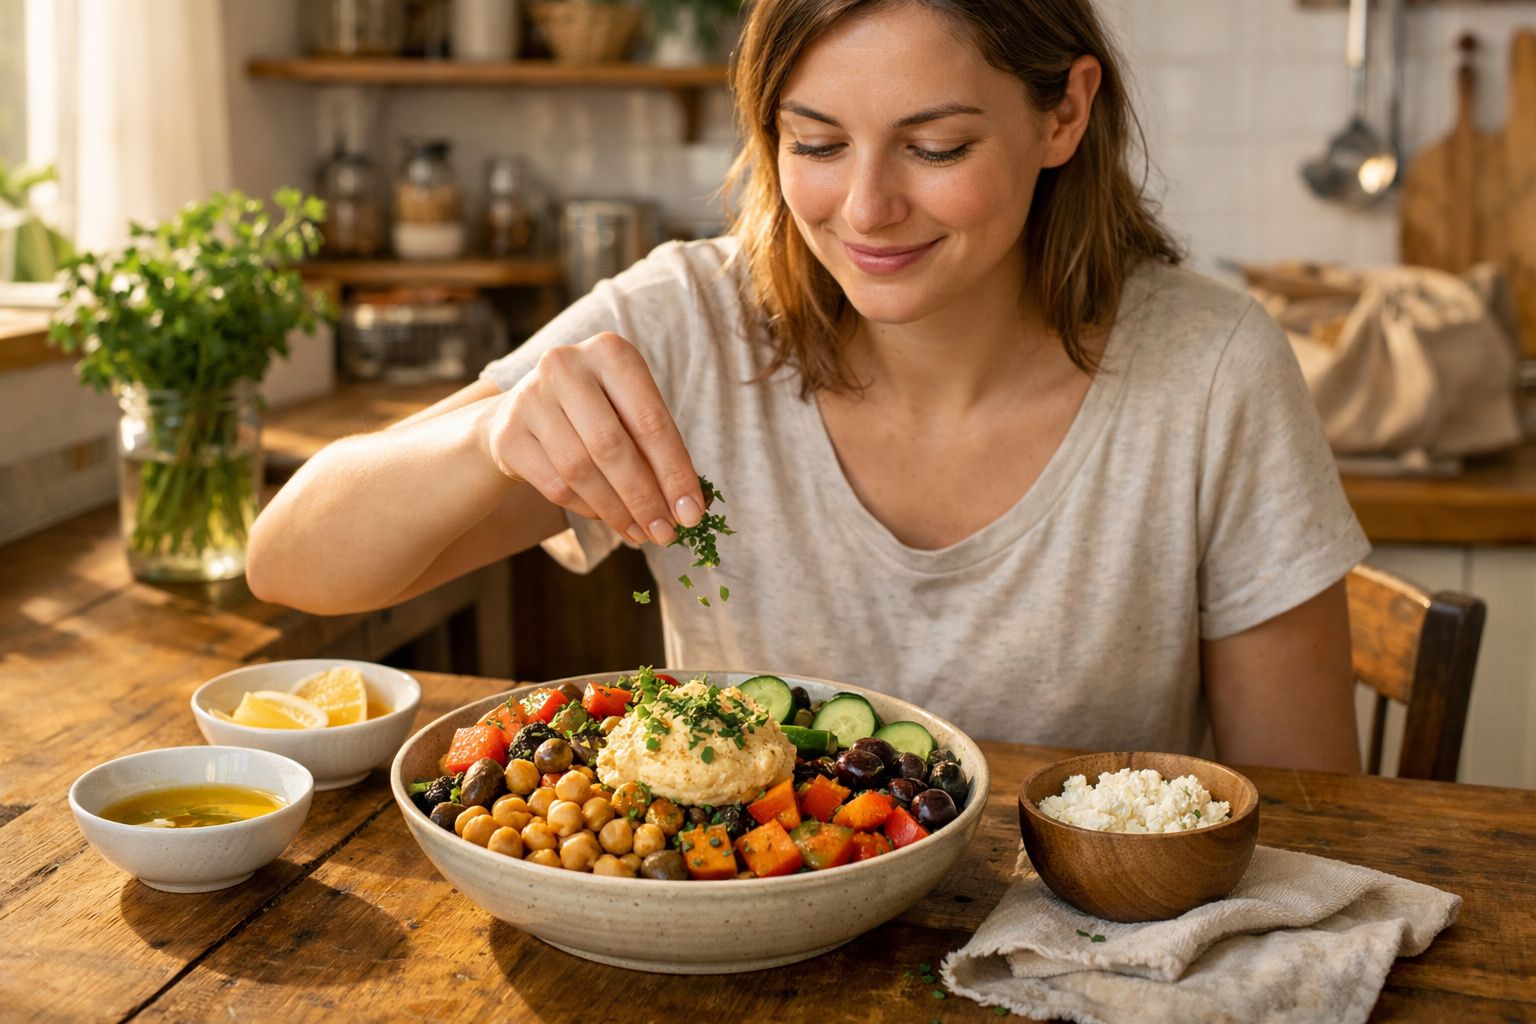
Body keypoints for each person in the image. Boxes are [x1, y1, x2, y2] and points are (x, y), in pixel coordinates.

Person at [248, 0, 1368, 772]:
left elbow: (1321, 813)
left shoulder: (1211, 370)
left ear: (1063, 114)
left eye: (934, 147)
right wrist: (491, 436)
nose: (866, 210)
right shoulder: (685, 324)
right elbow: (292, 561)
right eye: (817, 143)